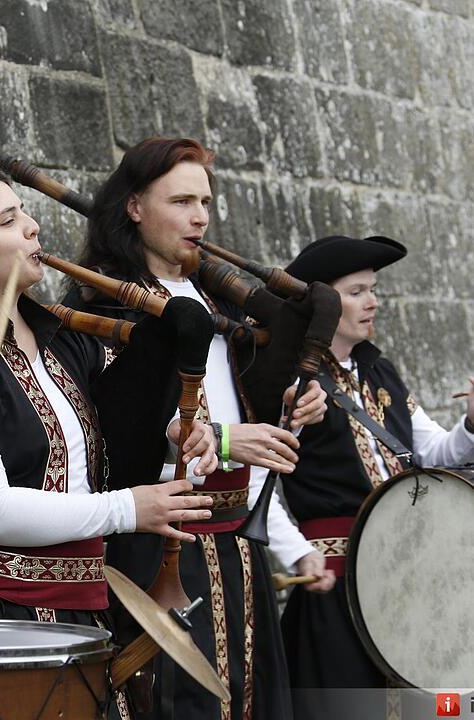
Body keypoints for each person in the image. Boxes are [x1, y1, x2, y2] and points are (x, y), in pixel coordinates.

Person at [0, 167, 219, 715]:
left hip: (82, 616)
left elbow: (121, 447)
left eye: (25, 213)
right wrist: (127, 508)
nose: (33, 228)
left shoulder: (67, 345)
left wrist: (177, 436)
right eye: (8, 220)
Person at [63, 136, 329, 720]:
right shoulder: (107, 304)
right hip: (159, 540)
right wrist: (229, 440)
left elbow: (245, 407)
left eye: (205, 201)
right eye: (182, 201)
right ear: (135, 207)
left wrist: (292, 404)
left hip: (238, 542)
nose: (200, 216)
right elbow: (113, 431)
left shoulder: (221, 300)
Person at [276, 235, 474, 719]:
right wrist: (297, 552)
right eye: (358, 290)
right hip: (336, 578)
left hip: (407, 574)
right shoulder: (290, 379)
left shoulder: (380, 372)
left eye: (373, 289)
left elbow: (434, 454)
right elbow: (258, 480)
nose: (373, 301)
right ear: (322, 301)